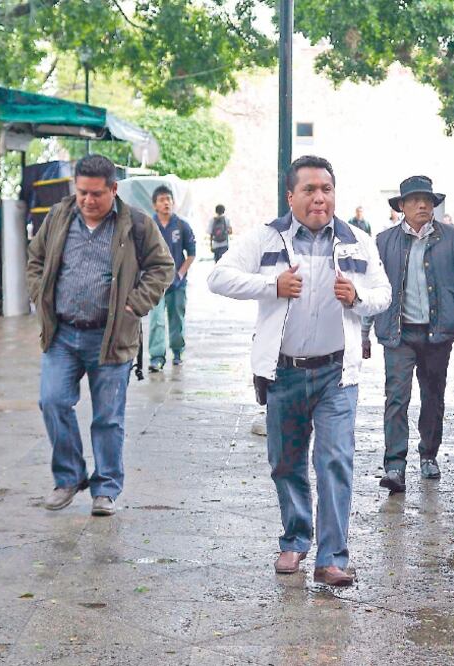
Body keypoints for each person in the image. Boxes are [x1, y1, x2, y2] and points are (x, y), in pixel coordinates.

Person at [208, 155, 391, 586]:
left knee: (335, 461)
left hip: (336, 375)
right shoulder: (266, 237)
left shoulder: (357, 241)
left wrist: (357, 297)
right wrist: (272, 286)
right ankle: (294, 540)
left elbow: (383, 293)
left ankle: (332, 558)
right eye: (309, 190)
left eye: (326, 189)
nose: (319, 197)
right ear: (290, 196)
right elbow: (219, 277)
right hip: (284, 372)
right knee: (286, 462)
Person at [26, 154, 174, 516]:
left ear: (113, 189)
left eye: (96, 194)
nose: (88, 201)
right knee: (52, 401)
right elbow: (36, 259)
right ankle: (69, 477)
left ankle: (105, 488)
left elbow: (162, 266)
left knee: (108, 418)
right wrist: (39, 294)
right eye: (82, 193)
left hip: (110, 337)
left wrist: (135, 304)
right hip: (62, 333)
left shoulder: (136, 224)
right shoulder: (59, 217)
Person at [363, 175, 454, 494]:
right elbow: (373, 289)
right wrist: (363, 333)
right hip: (399, 333)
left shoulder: (452, 238)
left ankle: (429, 455)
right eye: (415, 200)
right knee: (396, 397)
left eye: (428, 200)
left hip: (437, 334)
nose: (422, 205)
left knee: (433, 396)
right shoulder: (384, 241)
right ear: (402, 206)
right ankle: (394, 466)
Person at [147, 185, 196, 372]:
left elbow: (191, 254)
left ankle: (177, 351)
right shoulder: (148, 227)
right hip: (155, 285)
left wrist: (180, 274)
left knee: (177, 320)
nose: (166, 203)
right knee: (156, 321)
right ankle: (157, 357)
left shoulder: (182, 225)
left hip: (177, 284)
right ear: (155, 205)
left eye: (168, 199)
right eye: (161, 200)